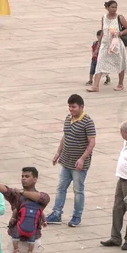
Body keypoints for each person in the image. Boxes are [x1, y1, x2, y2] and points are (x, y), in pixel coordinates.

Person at [46, 94, 96, 227]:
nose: (71, 109)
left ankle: (76, 216)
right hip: (66, 161)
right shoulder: (68, 119)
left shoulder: (88, 122)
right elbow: (65, 136)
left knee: (78, 190)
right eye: (69, 106)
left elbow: (92, 142)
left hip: (78, 164)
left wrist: (82, 159)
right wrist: (58, 152)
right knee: (60, 188)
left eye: (73, 107)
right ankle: (56, 213)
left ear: (81, 107)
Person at [100, 122, 127, 251]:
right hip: (121, 180)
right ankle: (115, 237)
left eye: (121, 131)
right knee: (117, 208)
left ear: (125, 132)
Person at [86, 0, 127, 92]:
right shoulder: (104, 17)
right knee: (99, 63)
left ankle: (120, 84)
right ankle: (95, 86)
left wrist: (120, 33)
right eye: (112, 7)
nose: (114, 9)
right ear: (107, 8)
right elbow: (102, 31)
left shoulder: (119, 17)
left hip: (116, 44)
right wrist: (98, 46)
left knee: (120, 63)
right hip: (105, 44)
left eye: (115, 7)